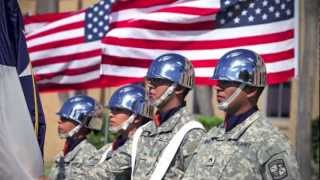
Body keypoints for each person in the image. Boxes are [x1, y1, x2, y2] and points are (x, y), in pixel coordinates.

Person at [69, 53, 206, 180]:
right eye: (149, 80)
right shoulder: (144, 132)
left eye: (158, 81)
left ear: (179, 88)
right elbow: (111, 167)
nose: (150, 86)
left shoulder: (192, 133)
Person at [183, 49, 301, 180]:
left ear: (250, 90)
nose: (218, 87)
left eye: (226, 82)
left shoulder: (270, 143)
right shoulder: (212, 136)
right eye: (218, 81)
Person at [68, 84, 152, 179]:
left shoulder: (141, 145)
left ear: (137, 117)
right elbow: (86, 168)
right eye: (111, 110)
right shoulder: (111, 147)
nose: (110, 115)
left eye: (118, 110)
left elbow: (101, 173)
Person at [49, 95, 102, 180]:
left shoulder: (90, 155)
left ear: (82, 124)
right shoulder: (66, 151)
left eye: (65, 118)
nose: (59, 121)